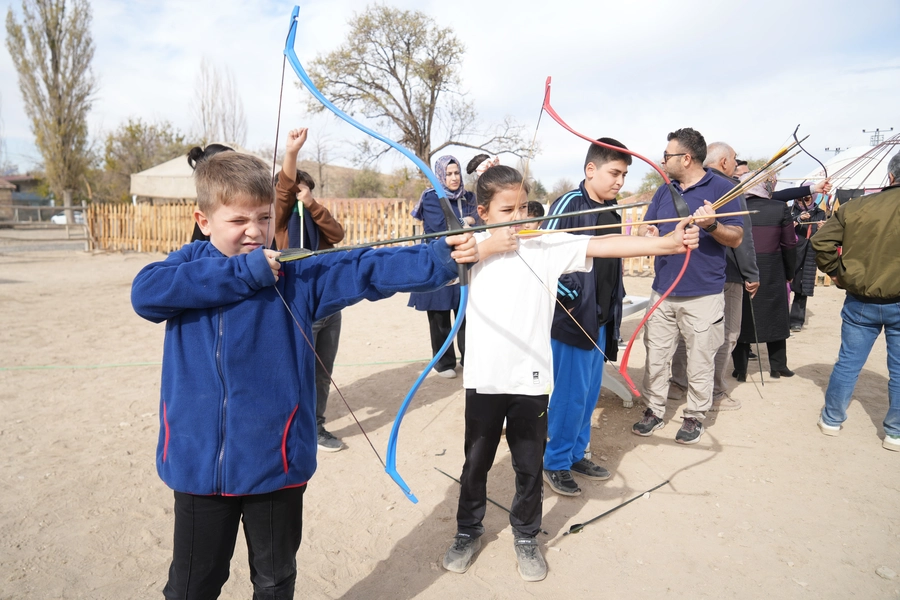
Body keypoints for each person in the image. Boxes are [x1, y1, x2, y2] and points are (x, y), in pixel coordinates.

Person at [132, 151, 478, 599]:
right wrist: (244, 273)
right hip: (199, 467)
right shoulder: (182, 270)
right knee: (192, 585)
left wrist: (441, 256)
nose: (254, 231)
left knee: (274, 581)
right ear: (204, 220)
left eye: (264, 217)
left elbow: (366, 269)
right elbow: (146, 294)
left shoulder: (295, 275)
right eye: (238, 220)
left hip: (276, 466)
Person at [442, 165, 699, 581]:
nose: (519, 218)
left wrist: (668, 243)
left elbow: (604, 244)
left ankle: (526, 536)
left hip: (530, 380)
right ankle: (467, 531)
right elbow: (437, 269)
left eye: (524, 207)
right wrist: (486, 246)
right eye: (507, 211)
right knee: (476, 462)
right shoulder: (469, 248)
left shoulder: (545, 245)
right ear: (483, 212)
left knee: (529, 465)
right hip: (485, 379)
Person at [632, 128, 743, 444]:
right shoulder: (663, 191)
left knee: (700, 360)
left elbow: (736, 237)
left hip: (703, 294)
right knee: (656, 357)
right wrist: (650, 234)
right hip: (663, 290)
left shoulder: (723, 188)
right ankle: (654, 410)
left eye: (667, 155)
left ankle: (695, 416)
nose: (662, 160)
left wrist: (712, 225)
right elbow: (646, 228)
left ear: (686, 158)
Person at [540, 138, 631, 497]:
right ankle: (555, 461)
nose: (619, 181)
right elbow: (543, 254)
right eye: (614, 173)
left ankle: (576, 454)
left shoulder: (612, 209)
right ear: (591, 169)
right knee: (570, 395)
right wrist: (572, 298)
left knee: (589, 393)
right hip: (575, 318)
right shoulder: (569, 204)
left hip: (602, 318)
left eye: (624, 175)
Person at [812, 153, 900, 451]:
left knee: (849, 362)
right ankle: (895, 432)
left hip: (861, 299)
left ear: (890, 176)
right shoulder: (855, 206)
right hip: (874, 299)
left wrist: (837, 274)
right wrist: (837, 274)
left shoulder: (856, 206)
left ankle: (832, 419)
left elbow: (821, 242)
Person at [669, 141, 759, 412]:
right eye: (734, 159)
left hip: (686, 271)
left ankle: (678, 384)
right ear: (724, 162)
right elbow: (741, 238)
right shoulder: (727, 187)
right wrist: (751, 273)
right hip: (724, 273)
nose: (735, 164)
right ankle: (715, 390)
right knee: (724, 333)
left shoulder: (684, 184)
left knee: (687, 332)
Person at [275, 127, 347, 451]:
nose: (302, 194)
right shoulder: (279, 220)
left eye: (307, 191)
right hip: (300, 306)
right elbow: (283, 187)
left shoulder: (316, 218)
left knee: (322, 372)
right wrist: (292, 152)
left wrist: (312, 204)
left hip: (329, 305)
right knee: (297, 371)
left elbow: (338, 233)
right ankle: (291, 428)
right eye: (299, 190)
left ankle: (316, 427)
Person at [408, 155, 479, 378]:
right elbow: (442, 226)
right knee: (439, 315)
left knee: (466, 313)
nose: (454, 177)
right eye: (448, 174)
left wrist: (468, 221)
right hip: (439, 260)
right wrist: (467, 221)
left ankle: (469, 359)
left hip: (465, 259)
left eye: (456, 173)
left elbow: (480, 219)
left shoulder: (469, 197)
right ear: (440, 176)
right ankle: (444, 363)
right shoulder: (432, 197)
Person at [731, 173, 798, 380]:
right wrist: (790, 272)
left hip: (741, 267)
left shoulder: (735, 207)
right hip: (771, 269)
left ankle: (740, 369)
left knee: (741, 317)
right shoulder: (779, 207)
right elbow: (789, 244)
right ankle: (778, 366)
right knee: (775, 316)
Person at [789, 192, 826, 332]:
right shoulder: (790, 211)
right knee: (784, 287)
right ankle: (780, 318)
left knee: (802, 286)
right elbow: (783, 226)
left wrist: (822, 229)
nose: (802, 201)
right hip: (791, 252)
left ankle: (796, 320)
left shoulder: (820, 213)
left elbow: (822, 236)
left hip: (808, 253)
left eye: (806, 198)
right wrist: (797, 219)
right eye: (799, 198)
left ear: (813, 198)